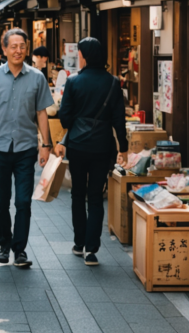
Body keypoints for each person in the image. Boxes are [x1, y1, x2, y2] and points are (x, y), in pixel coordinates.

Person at [0, 28, 54, 269]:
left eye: (22, 46)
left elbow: (42, 113)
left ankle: (19, 249)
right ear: (5, 48)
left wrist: (46, 144)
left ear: (26, 48)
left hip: (26, 147)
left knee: (23, 201)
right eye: (13, 46)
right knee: (1, 200)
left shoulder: (37, 78)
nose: (18, 50)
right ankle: (4, 243)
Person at [55, 38, 128, 267]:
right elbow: (119, 118)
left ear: (84, 56)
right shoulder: (113, 82)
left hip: (77, 145)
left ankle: (78, 242)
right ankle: (91, 249)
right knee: (95, 197)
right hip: (102, 147)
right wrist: (123, 148)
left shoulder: (74, 82)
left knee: (78, 194)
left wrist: (78, 117)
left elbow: (64, 117)